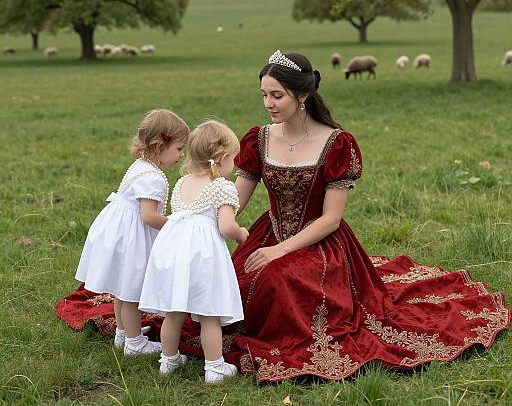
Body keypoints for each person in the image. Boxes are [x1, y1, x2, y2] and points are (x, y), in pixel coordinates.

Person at [177, 50, 510, 383]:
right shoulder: (259, 139)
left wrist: (280, 251)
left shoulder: (336, 144)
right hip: (269, 233)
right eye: (264, 95)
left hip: (321, 243)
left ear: (303, 94)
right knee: (228, 280)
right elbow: (235, 199)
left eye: (277, 95)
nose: (268, 103)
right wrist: (198, 218)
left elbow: (331, 219)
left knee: (277, 279)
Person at [139, 120, 248, 383]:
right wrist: (240, 233)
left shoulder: (183, 183)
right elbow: (225, 226)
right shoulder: (222, 186)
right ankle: (214, 367)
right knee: (210, 313)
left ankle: (168, 360)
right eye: (234, 159)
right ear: (222, 158)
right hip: (203, 255)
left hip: (175, 250)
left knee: (174, 312)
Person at [73, 109, 189, 356]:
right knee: (132, 292)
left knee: (121, 288)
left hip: (120, 231)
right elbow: (148, 216)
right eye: (179, 148)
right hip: (132, 236)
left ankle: (123, 333)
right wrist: (175, 224)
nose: (182, 155)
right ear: (160, 145)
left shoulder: (140, 165)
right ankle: (135, 344)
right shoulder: (154, 178)